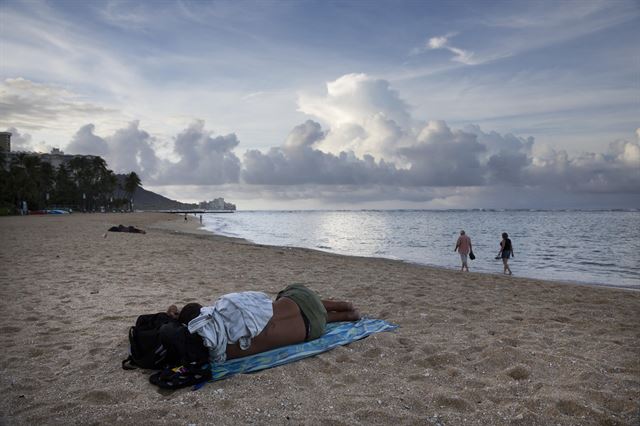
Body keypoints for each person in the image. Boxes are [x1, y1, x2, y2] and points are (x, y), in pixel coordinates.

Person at [168, 284, 360, 363]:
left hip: (313, 328)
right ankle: (342, 305)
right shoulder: (226, 311)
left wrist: (175, 317)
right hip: (302, 300)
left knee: (312, 317)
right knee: (287, 300)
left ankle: (342, 316)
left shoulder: (220, 350)